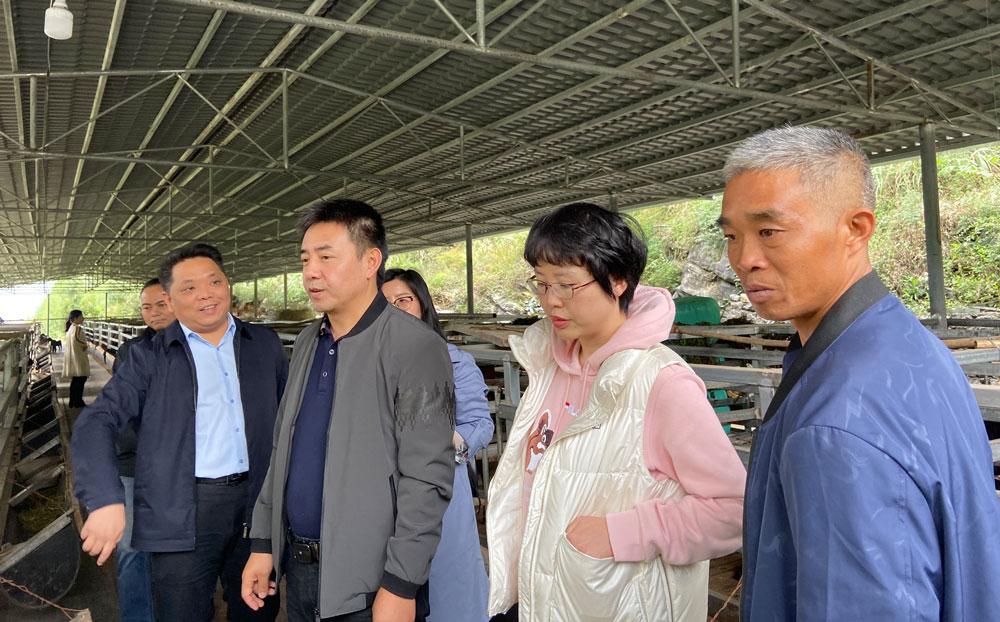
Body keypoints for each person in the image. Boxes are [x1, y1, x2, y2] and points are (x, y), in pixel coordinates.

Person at [719, 126, 1000, 621]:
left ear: (855, 228)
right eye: (731, 236)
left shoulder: (835, 425)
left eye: (769, 232)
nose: (744, 260)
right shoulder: (905, 342)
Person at [486, 203, 746, 622]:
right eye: (542, 283)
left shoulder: (660, 383)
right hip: (538, 598)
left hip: (613, 605)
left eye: (567, 285)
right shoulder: (549, 368)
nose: (551, 301)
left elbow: (733, 510)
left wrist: (622, 533)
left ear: (618, 280)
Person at [241, 199, 455, 622]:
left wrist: (402, 583)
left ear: (370, 261)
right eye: (305, 259)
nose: (310, 272)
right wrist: (263, 543)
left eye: (326, 257)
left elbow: (427, 477)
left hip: (371, 584)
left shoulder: (414, 346)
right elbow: (282, 449)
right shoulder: (308, 341)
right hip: (301, 570)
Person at [71, 243, 288, 622]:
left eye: (214, 281)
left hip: (258, 506)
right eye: (189, 287)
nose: (205, 294)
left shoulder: (264, 344)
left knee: (257, 609)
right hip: (181, 507)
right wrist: (105, 498)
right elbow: (96, 422)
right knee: (182, 611)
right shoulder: (148, 357)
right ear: (171, 299)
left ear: (227, 284)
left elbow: (289, 419)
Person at [382, 268, 493, 622]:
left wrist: (452, 440)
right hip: (383, 492)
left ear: (422, 305)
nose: (395, 310)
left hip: (441, 490)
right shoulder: (367, 365)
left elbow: (480, 423)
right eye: (384, 304)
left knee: (448, 590)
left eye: (404, 300)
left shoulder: (455, 361)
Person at [110, 277, 175, 622]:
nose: (153, 313)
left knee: (182, 550)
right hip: (136, 464)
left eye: (161, 304)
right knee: (132, 547)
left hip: (185, 468)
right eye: (146, 307)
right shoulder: (131, 352)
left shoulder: (201, 348)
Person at [63, 309, 89, 407]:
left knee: (76, 380)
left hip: (74, 355)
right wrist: (84, 344)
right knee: (81, 378)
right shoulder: (77, 328)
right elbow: (76, 339)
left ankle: (73, 401)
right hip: (78, 356)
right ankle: (78, 401)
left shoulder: (71, 328)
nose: (83, 318)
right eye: (81, 317)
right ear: (76, 318)